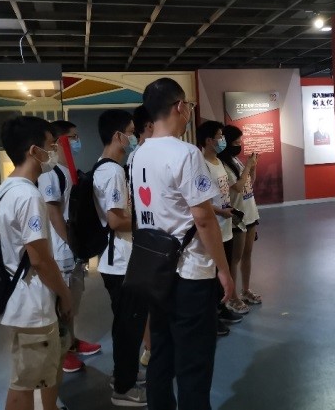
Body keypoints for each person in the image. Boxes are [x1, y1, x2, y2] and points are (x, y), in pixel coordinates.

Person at [130, 77, 234, 410]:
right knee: (194, 362)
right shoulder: (186, 154)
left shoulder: (139, 154)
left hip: (154, 269)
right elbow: (203, 219)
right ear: (179, 107)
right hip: (190, 271)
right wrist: (223, 269)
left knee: (161, 352)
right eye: (187, 104)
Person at [0, 116, 73, 410]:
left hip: (18, 298)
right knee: (24, 384)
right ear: (34, 151)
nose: (54, 151)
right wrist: (64, 294)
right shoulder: (28, 195)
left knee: (35, 376)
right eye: (51, 145)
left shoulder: (5, 189)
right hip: (32, 305)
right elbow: (40, 259)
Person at [37, 120, 101, 374]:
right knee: (62, 302)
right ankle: (62, 352)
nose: (77, 141)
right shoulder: (50, 175)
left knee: (72, 300)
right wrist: (72, 244)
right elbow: (54, 214)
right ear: (59, 142)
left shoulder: (69, 173)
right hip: (62, 252)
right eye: (73, 137)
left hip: (73, 252)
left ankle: (71, 342)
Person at [94, 109, 147, 407]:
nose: (133, 137)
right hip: (121, 262)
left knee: (125, 325)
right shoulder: (113, 172)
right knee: (129, 327)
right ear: (118, 136)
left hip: (115, 260)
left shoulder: (103, 167)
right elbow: (115, 221)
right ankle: (123, 389)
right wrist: (148, 221)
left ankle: (122, 374)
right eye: (130, 132)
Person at [197, 120, 244, 337]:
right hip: (215, 225)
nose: (222, 140)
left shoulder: (218, 162)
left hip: (226, 224)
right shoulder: (201, 165)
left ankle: (222, 307)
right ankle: (212, 316)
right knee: (213, 273)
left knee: (223, 266)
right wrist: (220, 212)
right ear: (209, 140)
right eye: (219, 136)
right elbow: (202, 202)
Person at [219, 125, 262, 309]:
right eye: (237, 142)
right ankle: (232, 296)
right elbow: (237, 187)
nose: (240, 145)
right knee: (234, 259)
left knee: (247, 254)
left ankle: (245, 290)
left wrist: (253, 167)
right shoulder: (223, 165)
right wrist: (248, 167)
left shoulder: (235, 160)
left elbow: (248, 183)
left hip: (250, 212)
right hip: (238, 215)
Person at [129, 103, 155, 367]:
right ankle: (150, 347)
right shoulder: (140, 156)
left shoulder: (135, 157)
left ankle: (152, 345)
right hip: (149, 239)